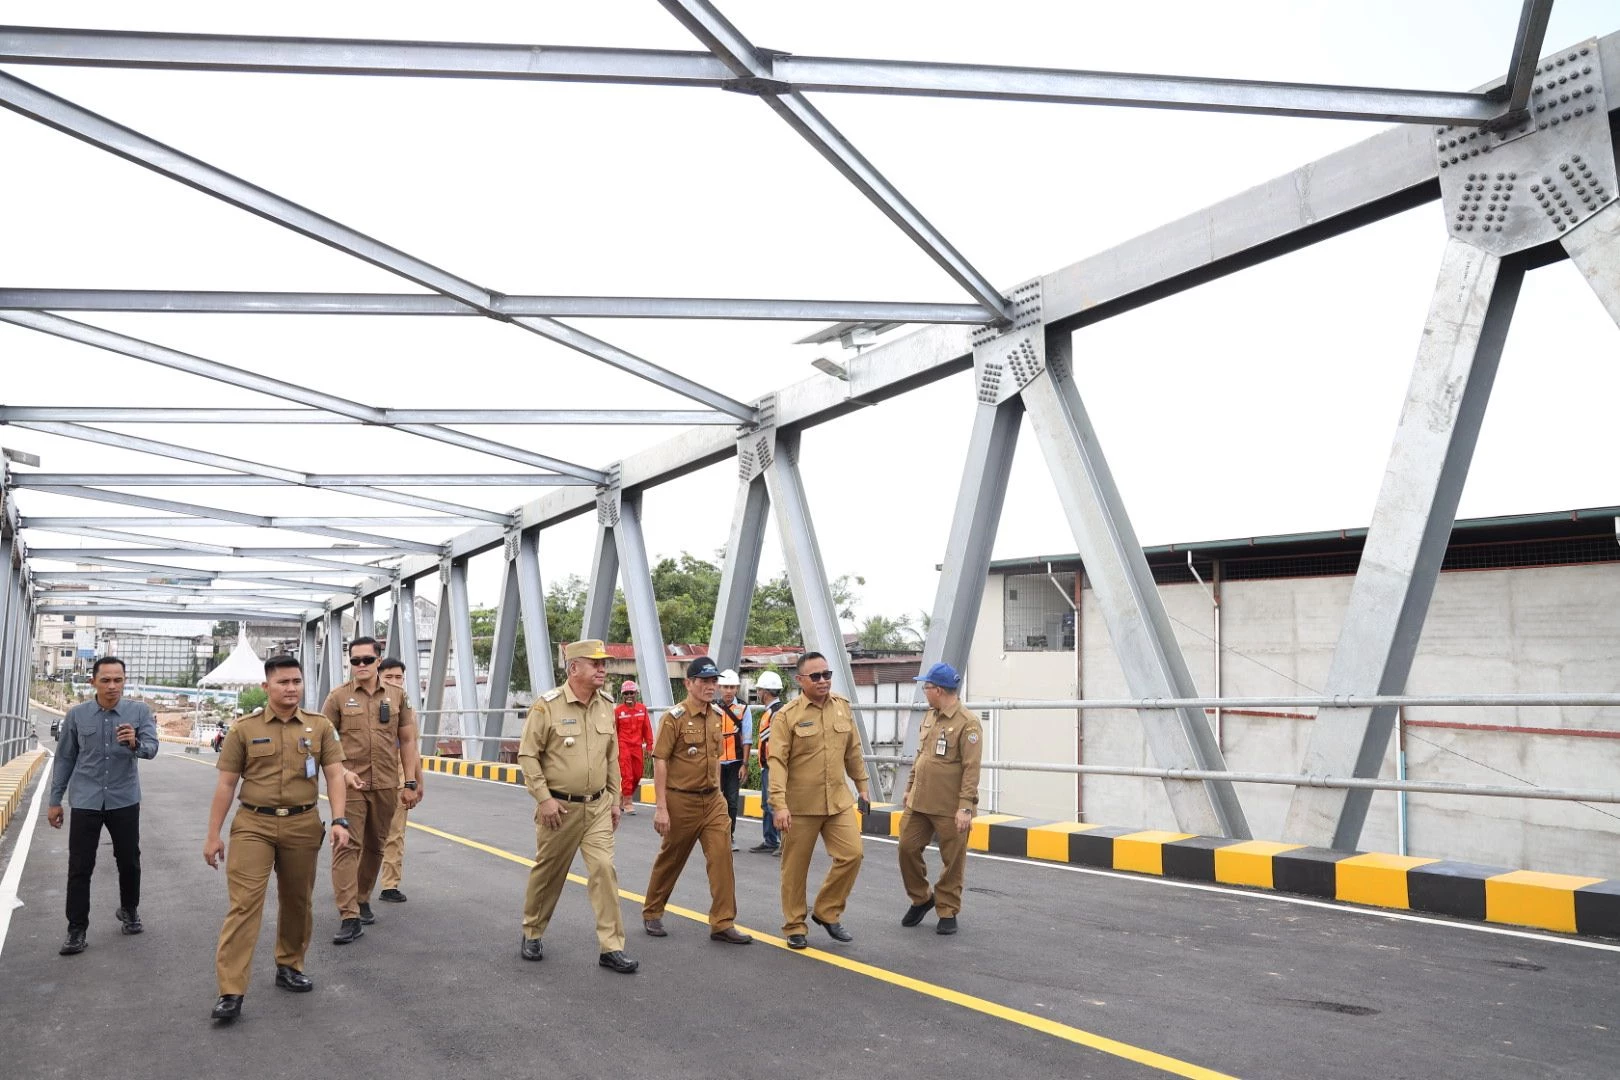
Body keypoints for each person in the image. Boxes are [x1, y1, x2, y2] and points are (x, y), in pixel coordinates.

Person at [204, 655, 351, 1022]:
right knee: (244, 905)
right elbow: (226, 784)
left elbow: (335, 775)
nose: (291, 688)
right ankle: (231, 990)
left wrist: (340, 820)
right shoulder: (243, 729)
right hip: (254, 824)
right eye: (283, 682)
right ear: (266, 686)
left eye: (296, 682)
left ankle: (289, 964)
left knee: (298, 901)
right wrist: (213, 835)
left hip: (302, 824)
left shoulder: (319, 727)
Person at [517, 639, 638, 973]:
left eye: (604, 663)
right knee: (550, 872)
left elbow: (611, 756)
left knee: (603, 871)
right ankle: (532, 930)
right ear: (574, 668)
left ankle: (611, 947)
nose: (602, 669)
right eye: (595, 663)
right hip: (560, 809)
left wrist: (615, 799)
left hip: (598, 806)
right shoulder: (548, 706)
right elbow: (528, 755)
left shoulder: (605, 705)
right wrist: (544, 799)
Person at [47, 656, 159, 955]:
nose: (112, 686)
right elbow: (65, 758)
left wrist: (135, 743)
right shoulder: (77, 715)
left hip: (124, 799)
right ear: (93, 681)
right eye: (106, 680)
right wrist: (55, 800)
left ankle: (129, 909)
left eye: (118, 680)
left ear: (124, 681)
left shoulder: (139, 712)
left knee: (129, 860)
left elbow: (152, 749)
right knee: (80, 866)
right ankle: (76, 929)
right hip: (85, 799)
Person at [640, 657, 751, 946]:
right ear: (689, 683)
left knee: (722, 858)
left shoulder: (717, 716)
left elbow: (715, 758)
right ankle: (652, 911)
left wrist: (718, 794)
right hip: (681, 801)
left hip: (712, 802)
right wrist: (661, 807)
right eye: (703, 681)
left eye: (713, 681)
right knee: (671, 858)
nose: (710, 686)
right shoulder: (673, 718)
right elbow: (660, 761)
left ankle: (723, 922)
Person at [321, 636, 422, 944]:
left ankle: (363, 897)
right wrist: (343, 773)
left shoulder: (397, 696)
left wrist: (411, 783)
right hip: (350, 783)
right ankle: (349, 915)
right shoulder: (337, 698)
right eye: (355, 661)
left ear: (379, 660)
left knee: (376, 845)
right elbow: (325, 743)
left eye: (366, 660)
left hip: (387, 783)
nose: (360, 666)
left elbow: (407, 740)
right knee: (347, 845)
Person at [768, 652, 871, 949]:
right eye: (816, 676)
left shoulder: (842, 707)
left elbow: (853, 751)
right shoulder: (787, 716)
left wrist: (863, 787)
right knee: (795, 869)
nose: (823, 680)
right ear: (800, 680)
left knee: (852, 854)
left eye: (827, 674)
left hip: (837, 800)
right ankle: (795, 925)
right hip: (799, 805)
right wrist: (779, 804)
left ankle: (826, 911)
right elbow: (777, 762)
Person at [897, 663, 982, 936]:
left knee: (953, 859)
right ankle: (922, 898)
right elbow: (921, 755)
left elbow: (971, 768)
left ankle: (947, 910)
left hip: (950, 805)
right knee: (906, 848)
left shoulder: (967, 723)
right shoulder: (930, 716)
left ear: (940, 690)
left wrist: (965, 808)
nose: (924, 691)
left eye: (927, 687)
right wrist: (909, 786)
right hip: (920, 800)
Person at [376, 657, 421, 904]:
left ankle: (390, 885)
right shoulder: (364, 706)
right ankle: (352, 884)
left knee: (395, 834)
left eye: (399, 678)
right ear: (379, 678)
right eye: (389, 677)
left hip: (399, 778)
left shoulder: (409, 712)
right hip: (368, 780)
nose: (394, 682)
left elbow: (413, 749)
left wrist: (416, 782)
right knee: (361, 836)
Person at [748, 670, 786, 855]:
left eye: (759, 690)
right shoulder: (771, 711)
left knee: (776, 805)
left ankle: (783, 843)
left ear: (766, 691)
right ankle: (770, 840)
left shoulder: (777, 713)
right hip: (768, 766)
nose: (758, 693)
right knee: (767, 804)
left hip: (774, 767)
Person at [715, 669, 751, 850]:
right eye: (725, 687)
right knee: (715, 799)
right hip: (717, 763)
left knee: (732, 800)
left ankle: (730, 835)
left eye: (732, 687)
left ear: (736, 688)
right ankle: (716, 835)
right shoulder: (712, 708)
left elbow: (747, 738)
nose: (728, 691)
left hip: (735, 762)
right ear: (719, 688)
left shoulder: (743, 708)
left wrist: (745, 764)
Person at [614, 680, 654, 814]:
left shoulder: (642, 709)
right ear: (622, 695)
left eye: (631, 693)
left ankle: (621, 797)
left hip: (637, 746)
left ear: (636, 693)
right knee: (627, 775)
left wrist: (649, 745)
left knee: (638, 774)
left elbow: (647, 728)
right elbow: (615, 731)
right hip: (623, 745)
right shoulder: (618, 711)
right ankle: (628, 803)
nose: (629, 695)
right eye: (626, 693)